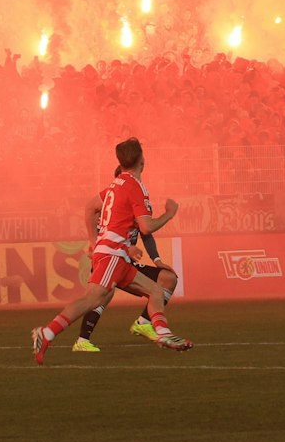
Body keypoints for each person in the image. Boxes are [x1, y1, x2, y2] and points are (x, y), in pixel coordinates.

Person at [33, 138, 192, 363]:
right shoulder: (135, 187)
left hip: (117, 255)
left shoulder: (115, 186)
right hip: (113, 255)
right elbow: (146, 227)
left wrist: (93, 241)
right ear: (141, 160)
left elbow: (90, 208)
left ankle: (164, 335)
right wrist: (169, 213)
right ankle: (46, 333)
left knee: (156, 291)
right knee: (92, 299)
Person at [68, 211, 168, 353]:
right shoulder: (110, 210)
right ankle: (81, 340)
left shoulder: (137, 208)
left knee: (168, 279)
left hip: (126, 264)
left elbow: (146, 234)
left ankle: (144, 323)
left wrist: (157, 260)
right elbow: (101, 236)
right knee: (101, 296)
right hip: (109, 261)